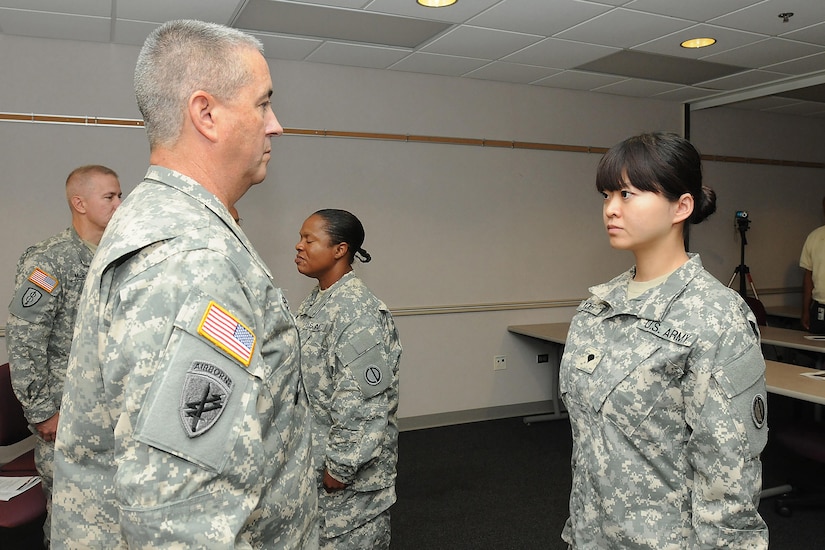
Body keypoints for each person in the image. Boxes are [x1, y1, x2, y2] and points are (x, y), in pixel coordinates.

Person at [51, 20, 317, 548]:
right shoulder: (189, 259)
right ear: (206, 114)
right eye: (264, 104)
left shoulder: (158, 217)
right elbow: (179, 521)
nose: (276, 125)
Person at [559, 132, 768, 549]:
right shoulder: (598, 308)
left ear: (682, 206)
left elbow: (729, 478)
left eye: (627, 193)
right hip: (591, 536)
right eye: (606, 195)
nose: (611, 209)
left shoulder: (715, 316)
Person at [6, 164, 122, 545]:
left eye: (120, 195)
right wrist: (41, 410)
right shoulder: (49, 261)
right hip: (68, 417)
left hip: (117, 419)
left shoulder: (121, 257)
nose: (119, 203)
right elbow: (24, 340)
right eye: (110, 196)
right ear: (80, 202)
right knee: (71, 525)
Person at [294, 209, 401, 549]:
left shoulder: (357, 312)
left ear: (340, 250)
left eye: (309, 240)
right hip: (316, 466)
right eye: (300, 238)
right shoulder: (318, 301)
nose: (298, 246)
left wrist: (340, 468)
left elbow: (364, 402)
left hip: (348, 485)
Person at [800, 196, 825, 333]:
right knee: (817, 351)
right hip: (820, 307)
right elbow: (808, 276)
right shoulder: (814, 237)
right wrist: (805, 310)